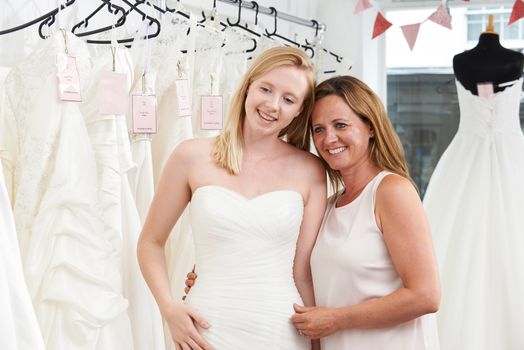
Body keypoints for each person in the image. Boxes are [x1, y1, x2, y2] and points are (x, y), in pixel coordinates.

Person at [185, 75, 441, 350]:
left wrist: (336, 320)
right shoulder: (330, 205)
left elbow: (425, 296)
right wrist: (216, 274)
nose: (329, 138)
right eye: (318, 129)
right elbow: (293, 270)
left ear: (370, 127)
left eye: (340, 125)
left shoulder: (391, 191)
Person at [137, 46, 327, 350]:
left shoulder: (311, 171)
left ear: (299, 111)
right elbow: (150, 242)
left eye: (288, 99)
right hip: (206, 327)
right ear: (248, 85)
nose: (273, 105)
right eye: (266, 89)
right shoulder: (191, 155)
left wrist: (317, 345)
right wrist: (169, 308)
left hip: (280, 329)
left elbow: (302, 272)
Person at [424, 20, 524, 350]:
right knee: (458, 242)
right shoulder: (460, 61)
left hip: (511, 159)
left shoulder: (516, 60)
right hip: (464, 160)